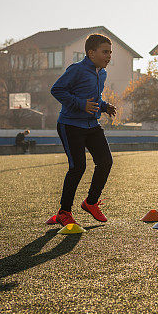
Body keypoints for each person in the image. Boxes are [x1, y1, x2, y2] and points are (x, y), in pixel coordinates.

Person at [46, 33, 117, 228]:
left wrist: (104, 106)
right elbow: (57, 89)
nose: (109, 56)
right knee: (78, 167)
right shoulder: (76, 69)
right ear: (91, 52)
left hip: (91, 125)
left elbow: (94, 99)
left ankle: (91, 202)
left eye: (110, 52)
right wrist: (80, 104)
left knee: (105, 162)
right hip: (70, 125)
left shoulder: (101, 73)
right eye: (105, 52)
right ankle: (64, 212)